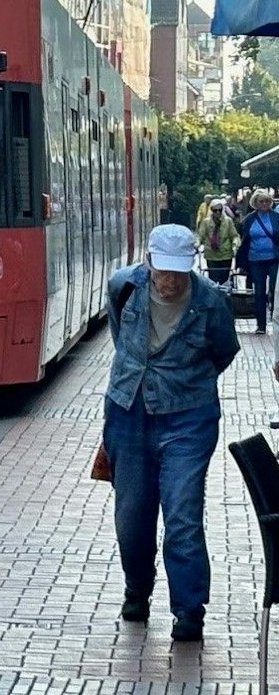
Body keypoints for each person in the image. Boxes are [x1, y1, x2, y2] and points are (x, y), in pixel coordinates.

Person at [104, 224, 238, 643]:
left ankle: (189, 610)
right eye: (163, 271)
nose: (170, 280)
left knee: (182, 514)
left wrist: (183, 380)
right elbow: (121, 337)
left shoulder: (210, 301)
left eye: (178, 272)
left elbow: (224, 351)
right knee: (132, 514)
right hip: (128, 412)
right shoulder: (124, 286)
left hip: (188, 417)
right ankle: (136, 590)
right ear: (148, 262)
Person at [239, 190, 279, 333]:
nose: (264, 204)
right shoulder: (249, 219)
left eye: (267, 201)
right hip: (255, 259)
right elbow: (244, 238)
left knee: (275, 290)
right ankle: (261, 325)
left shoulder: (276, 217)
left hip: (274, 259)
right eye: (261, 201)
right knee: (259, 292)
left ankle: (275, 320)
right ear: (255, 203)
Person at [196, 199, 237, 286]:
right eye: (215, 210)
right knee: (213, 279)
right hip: (211, 255)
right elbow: (200, 236)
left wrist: (235, 245)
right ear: (211, 210)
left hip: (226, 254)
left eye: (220, 210)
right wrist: (197, 244)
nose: (218, 212)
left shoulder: (228, 221)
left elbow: (234, 235)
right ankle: (214, 293)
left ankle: (224, 292)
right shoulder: (206, 222)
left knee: (224, 279)